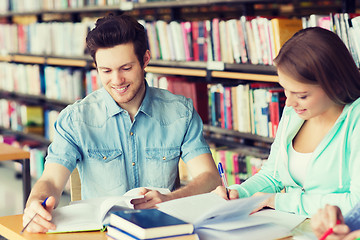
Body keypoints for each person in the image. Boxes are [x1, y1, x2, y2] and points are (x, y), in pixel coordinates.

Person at [23, 14, 221, 233]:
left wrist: (170, 199)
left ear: (145, 59)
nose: (117, 81)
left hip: (163, 231)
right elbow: (51, 179)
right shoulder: (75, 119)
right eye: (106, 71)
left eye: (126, 68)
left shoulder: (180, 112)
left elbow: (210, 177)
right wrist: (36, 202)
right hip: (102, 234)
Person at [213, 26, 360, 216]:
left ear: (335, 84)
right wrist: (238, 193)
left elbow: (356, 203)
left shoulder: (355, 120)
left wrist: (280, 201)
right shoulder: (295, 114)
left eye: (301, 95)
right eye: (285, 89)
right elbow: (273, 175)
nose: (289, 103)